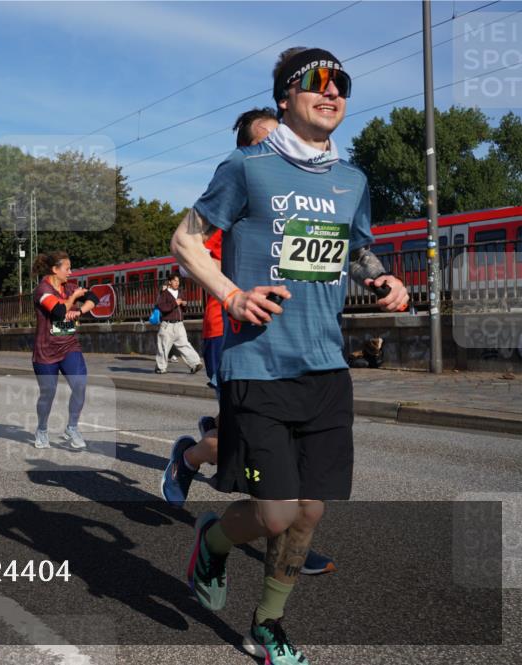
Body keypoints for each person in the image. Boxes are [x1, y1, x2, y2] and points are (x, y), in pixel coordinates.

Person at [168, 48, 409, 664]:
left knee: (310, 511)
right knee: (275, 513)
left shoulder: (353, 179)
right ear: (284, 97)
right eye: (316, 83)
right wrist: (231, 293)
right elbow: (185, 240)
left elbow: (357, 249)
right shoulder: (247, 167)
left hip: (326, 368)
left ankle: (267, 625)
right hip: (258, 366)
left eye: (341, 84)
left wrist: (385, 280)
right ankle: (215, 541)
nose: (331, 93)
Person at [164, 107, 336, 577]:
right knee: (246, 449)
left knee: (295, 461)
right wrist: (234, 291)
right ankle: (190, 456)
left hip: (297, 347)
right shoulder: (231, 200)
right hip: (235, 340)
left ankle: (290, 534)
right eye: (266, 142)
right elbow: (187, 255)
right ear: (246, 151)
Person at [30, 251, 99, 450]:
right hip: (46, 351)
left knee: (80, 384)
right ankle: (42, 429)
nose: (70, 272)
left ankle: (72, 427)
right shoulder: (42, 290)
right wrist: (74, 298)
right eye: (67, 268)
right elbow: (59, 312)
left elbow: (93, 296)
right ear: (55, 269)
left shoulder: (69, 286)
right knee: (48, 393)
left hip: (69, 345)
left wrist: (80, 310)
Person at [153, 274, 203, 374]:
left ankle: (195, 363)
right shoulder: (164, 293)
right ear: (169, 282)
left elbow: (183, 308)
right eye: (175, 281)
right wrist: (175, 303)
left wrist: (185, 304)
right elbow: (162, 307)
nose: (177, 283)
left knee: (184, 344)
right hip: (167, 325)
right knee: (163, 346)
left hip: (179, 325)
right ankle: (161, 367)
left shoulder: (180, 292)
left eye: (178, 281)